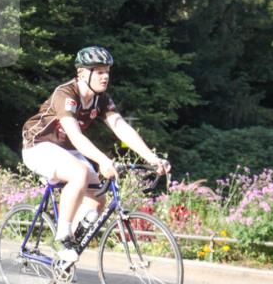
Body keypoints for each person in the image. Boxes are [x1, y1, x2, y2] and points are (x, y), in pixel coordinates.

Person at [21, 46, 170, 263]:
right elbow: (75, 135)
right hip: (38, 145)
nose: (105, 76)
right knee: (79, 173)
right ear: (82, 73)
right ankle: (62, 236)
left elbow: (120, 127)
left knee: (98, 199)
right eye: (99, 72)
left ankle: (66, 254)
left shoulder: (101, 99)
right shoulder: (66, 94)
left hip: (67, 150)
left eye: (107, 71)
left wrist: (152, 158)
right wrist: (103, 161)